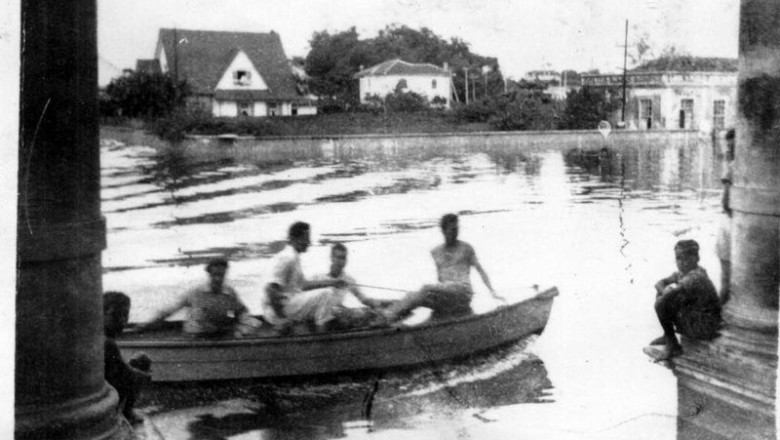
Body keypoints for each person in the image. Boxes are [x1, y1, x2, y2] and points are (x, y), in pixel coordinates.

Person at [378, 213, 503, 323]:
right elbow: (440, 279)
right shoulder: (436, 251)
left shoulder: (466, 248)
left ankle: (387, 316)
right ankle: (389, 320)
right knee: (414, 295)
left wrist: (493, 292)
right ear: (443, 231)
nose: (455, 233)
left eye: (457, 229)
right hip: (447, 296)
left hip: (463, 292)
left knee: (426, 288)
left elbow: (480, 271)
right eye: (452, 230)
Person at [263, 222, 350, 334]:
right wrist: (281, 319)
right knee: (326, 294)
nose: (309, 242)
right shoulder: (288, 258)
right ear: (294, 239)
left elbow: (303, 285)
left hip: (286, 306)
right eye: (306, 238)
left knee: (325, 296)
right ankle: (322, 338)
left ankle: (318, 330)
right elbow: (271, 290)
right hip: (277, 311)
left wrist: (333, 282)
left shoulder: (294, 257)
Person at [138, 257, 258, 337]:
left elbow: (242, 312)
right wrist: (147, 325)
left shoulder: (229, 293)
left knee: (255, 324)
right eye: (215, 275)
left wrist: (244, 327)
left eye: (221, 275)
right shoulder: (196, 293)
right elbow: (170, 310)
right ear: (209, 274)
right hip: (196, 337)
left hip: (222, 334)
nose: (218, 279)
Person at [649, 240, 722, 360]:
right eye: (678, 259)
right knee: (661, 295)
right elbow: (659, 283)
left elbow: (669, 295)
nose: (682, 263)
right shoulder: (682, 273)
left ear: (696, 258)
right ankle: (668, 336)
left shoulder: (696, 276)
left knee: (661, 303)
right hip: (697, 317)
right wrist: (664, 291)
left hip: (706, 325)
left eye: (687, 259)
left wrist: (665, 292)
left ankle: (673, 345)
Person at [309, 243, 383, 330]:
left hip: (338, 313)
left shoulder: (348, 279)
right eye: (338, 257)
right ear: (331, 258)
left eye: (344, 258)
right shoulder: (318, 276)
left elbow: (362, 298)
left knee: (368, 313)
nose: (341, 261)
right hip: (321, 314)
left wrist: (377, 305)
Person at [103, 291, 151, 425]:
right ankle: (126, 412)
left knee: (141, 359)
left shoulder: (105, 338)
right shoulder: (107, 342)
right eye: (116, 315)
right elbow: (125, 372)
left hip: (107, 383)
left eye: (125, 315)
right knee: (138, 374)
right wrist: (142, 376)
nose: (123, 321)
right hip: (106, 389)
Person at [715, 128, 735, 304]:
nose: (727, 151)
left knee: (725, 280)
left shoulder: (732, 167)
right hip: (733, 223)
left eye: (730, 148)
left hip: (730, 224)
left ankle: (720, 319)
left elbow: (726, 203)